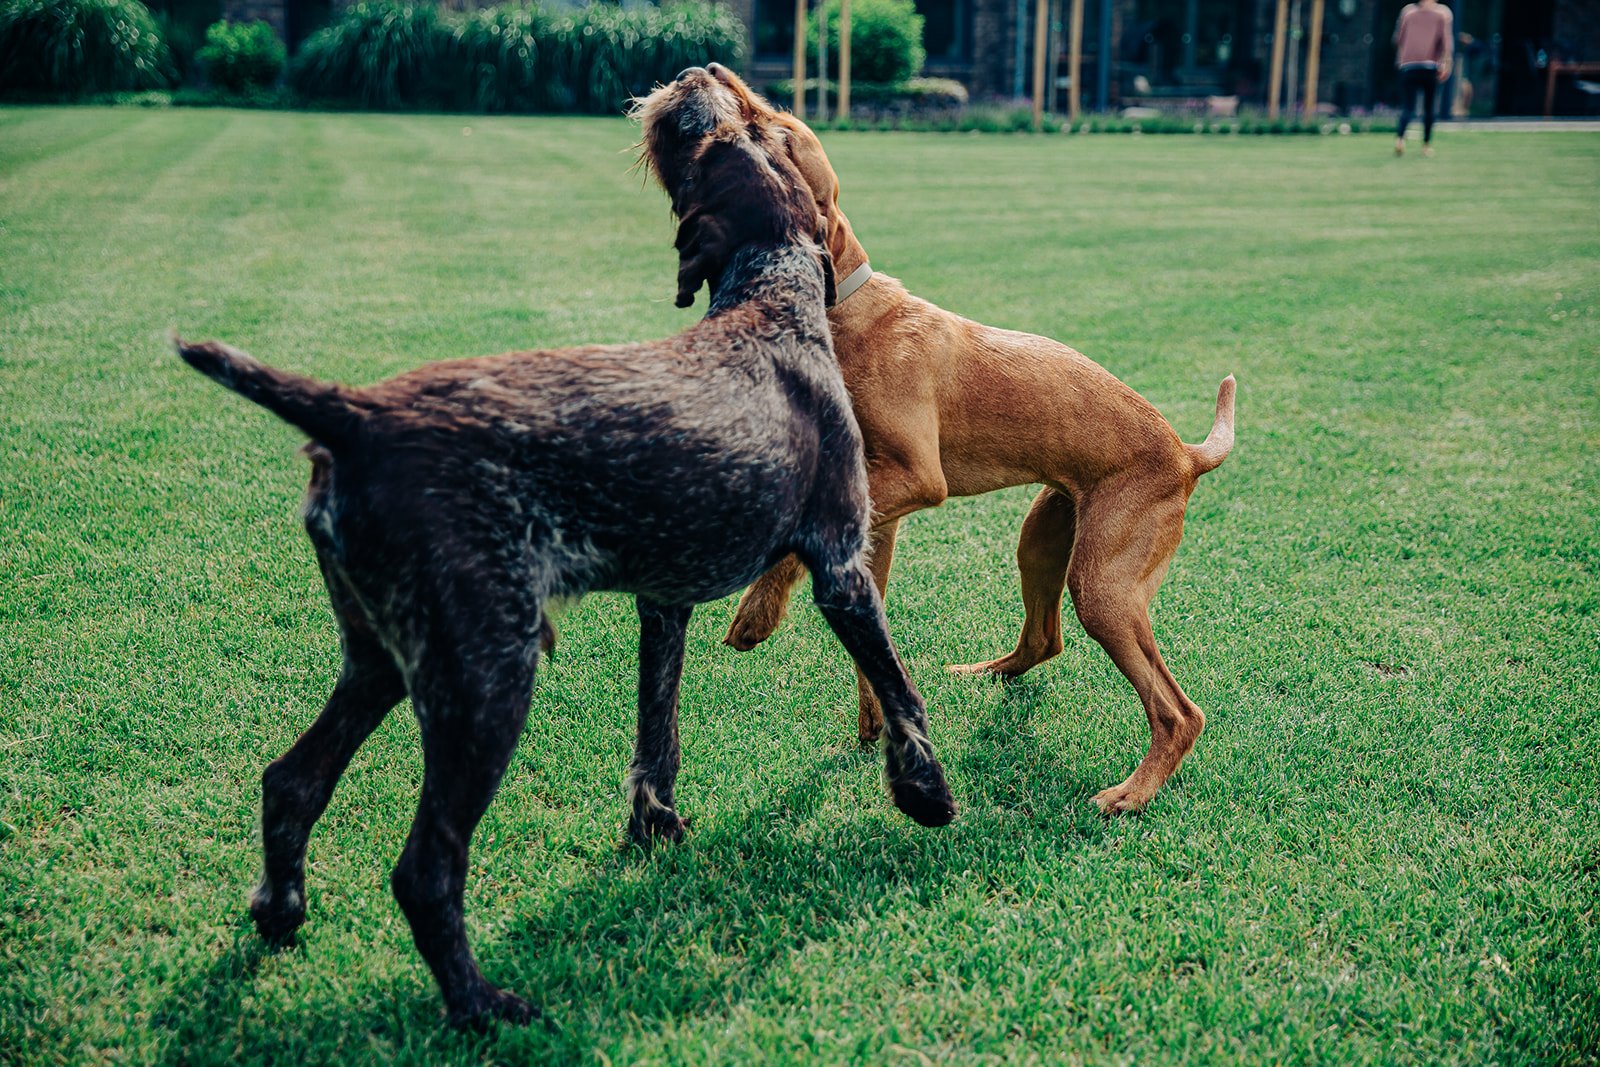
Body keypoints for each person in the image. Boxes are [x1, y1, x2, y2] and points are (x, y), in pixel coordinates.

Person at [1393, 0, 1454, 156]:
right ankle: (1426, 145)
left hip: (1408, 66)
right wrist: (1447, 64)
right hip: (1429, 66)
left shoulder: (1408, 12)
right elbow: (1447, 43)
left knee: (1408, 106)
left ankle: (1400, 139)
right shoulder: (1442, 13)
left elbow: (1398, 39)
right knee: (1429, 108)